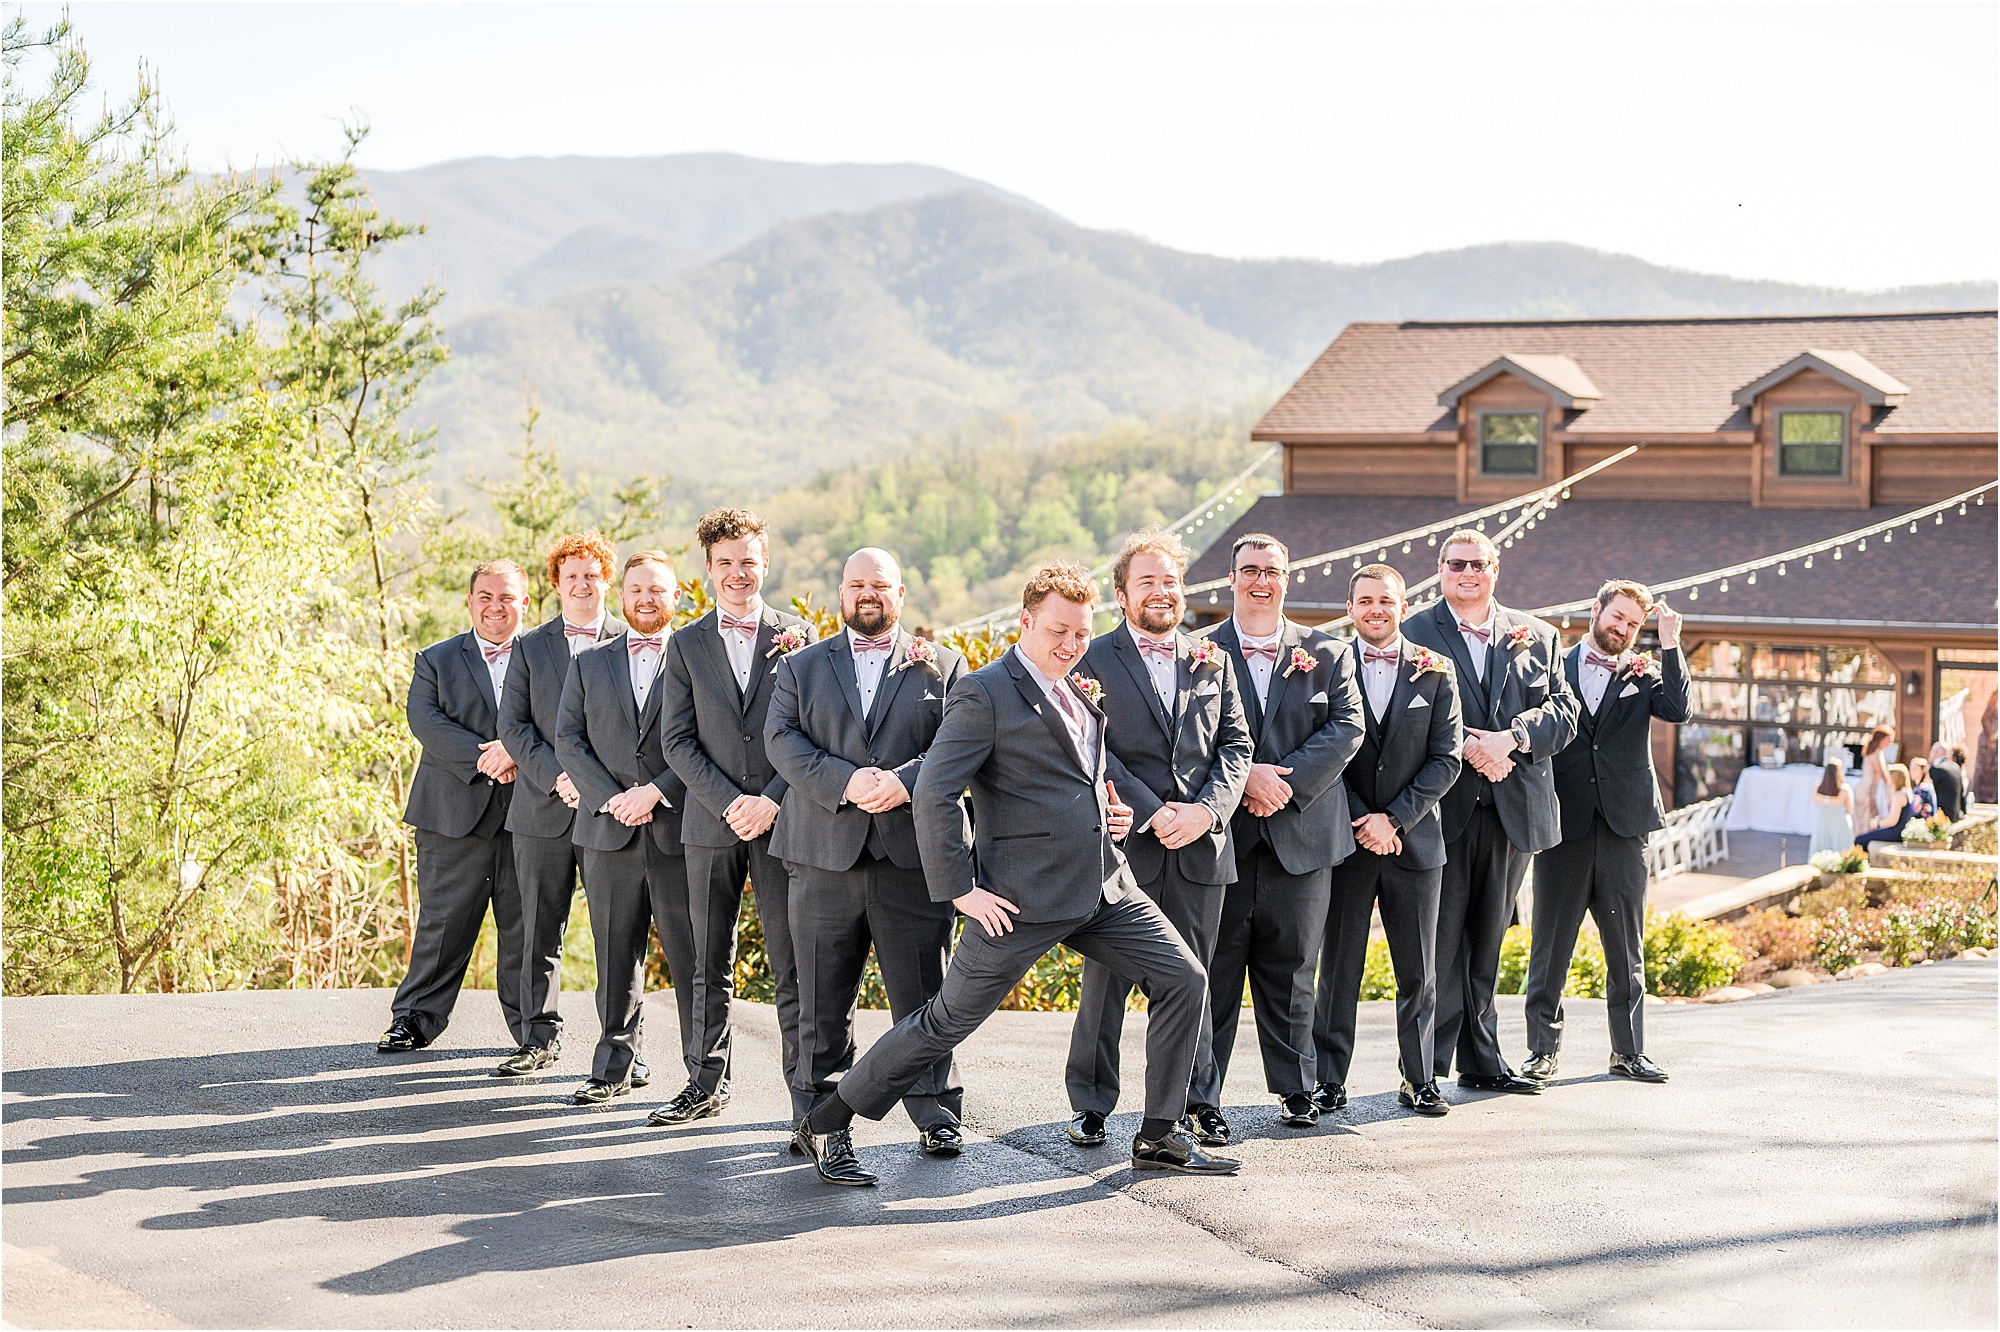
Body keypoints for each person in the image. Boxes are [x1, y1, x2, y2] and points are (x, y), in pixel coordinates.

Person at [793, 561, 1236, 1187]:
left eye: (1081, 634)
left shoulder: (1080, 688)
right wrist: (961, 891)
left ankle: (1160, 1134)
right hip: (1018, 901)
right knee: (945, 1021)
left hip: (1105, 888)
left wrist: (1112, 812)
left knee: (1185, 979)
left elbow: (1080, 776)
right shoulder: (984, 692)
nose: (1070, 646)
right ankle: (829, 1117)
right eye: (1058, 631)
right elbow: (936, 792)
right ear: (1025, 622)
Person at [764, 548, 970, 1149]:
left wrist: (904, 780)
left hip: (910, 856)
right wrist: (845, 781)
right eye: (857, 584)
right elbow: (781, 739)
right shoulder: (801, 667)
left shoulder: (945, 667)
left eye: (879, 584)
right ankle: (817, 1119)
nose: (868, 594)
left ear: (900, 594)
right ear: (841, 593)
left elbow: (959, 744)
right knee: (820, 997)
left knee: (924, 994)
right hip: (823, 853)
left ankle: (936, 1113)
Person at [1065, 529, 1252, 1149]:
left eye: (1169, 580)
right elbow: (1094, 749)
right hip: (1125, 844)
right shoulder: (1092, 658)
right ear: (1122, 594)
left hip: (1202, 843)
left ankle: (1196, 1100)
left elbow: (1237, 745)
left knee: (1195, 975)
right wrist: (1152, 812)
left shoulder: (1212, 657)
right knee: (1107, 980)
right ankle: (1091, 1101)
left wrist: (1205, 813)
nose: (1161, 592)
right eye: (1147, 581)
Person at [1196, 534, 1364, 1131]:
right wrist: (1246, 780)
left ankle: (1297, 1088)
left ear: (1288, 579)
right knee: (1212, 970)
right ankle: (1200, 1100)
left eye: (1271, 571)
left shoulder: (1329, 651)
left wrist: (1283, 785)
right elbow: (1187, 737)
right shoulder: (1199, 652)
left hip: (1305, 834)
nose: (1259, 581)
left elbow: (1347, 728)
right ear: (1231, 579)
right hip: (1222, 837)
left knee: (1294, 968)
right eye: (1248, 570)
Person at [1400, 529, 1577, 1095]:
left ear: (1495, 569)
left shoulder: (1539, 636)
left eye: (1478, 564)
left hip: (1512, 807)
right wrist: (1472, 749)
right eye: (1456, 565)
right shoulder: (1413, 633)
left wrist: (1513, 738)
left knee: (1489, 936)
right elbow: (1397, 720)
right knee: (1436, 941)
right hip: (1439, 810)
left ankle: (1482, 1061)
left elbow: (1565, 710)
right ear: (1441, 570)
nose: (1467, 573)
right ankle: (1422, 1069)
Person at [657, 508, 813, 1125]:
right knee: (704, 960)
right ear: (708, 569)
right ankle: (704, 1080)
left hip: (781, 821)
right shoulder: (687, 644)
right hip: (710, 822)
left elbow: (807, 732)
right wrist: (730, 803)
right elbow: (677, 740)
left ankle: (805, 1094)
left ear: (765, 563)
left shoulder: (800, 636)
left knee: (792, 959)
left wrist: (772, 797)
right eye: (725, 563)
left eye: (748, 562)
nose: (738, 574)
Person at [1521, 580, 1689, 1088]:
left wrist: (1670, 643)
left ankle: (1629, 1051)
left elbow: (1678, 710)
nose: (1623, 629)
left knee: (1626, 945)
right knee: (1550, 945)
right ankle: (1541, 1052)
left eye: (1634, 624)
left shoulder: (1647, 670)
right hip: (1563, 823)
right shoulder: (1555, 664)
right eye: (1618, 617)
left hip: (1624, 825)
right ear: (1596, 611)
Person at [1312, 564, 1462, 1117]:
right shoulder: (1326, 666)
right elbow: (1322, 751)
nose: (1376, 609)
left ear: (1403, 606)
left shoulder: (1435, 670)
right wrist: (1360, 819)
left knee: (1419, 969)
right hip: (1345, 842)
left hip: (1415, 843)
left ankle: (1419, 1078)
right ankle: (1329, 1081)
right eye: (1366, 600)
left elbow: (1446, 757)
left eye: (1386, 600)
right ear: (1350, 608)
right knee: (1339, 968)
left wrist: (1393, 820)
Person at [552, 553, 699, 1107]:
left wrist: (655, 791)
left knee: (691, 956)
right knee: (616, 956)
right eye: (636, 588)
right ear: (622, 594)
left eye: (656, 590)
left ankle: (703, 1075)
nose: (645, 598)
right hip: (607, 832)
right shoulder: (589, 664)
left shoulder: (694, 658)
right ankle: (614, 1067)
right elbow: (569, 740)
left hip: (679, 830)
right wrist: (612, 799)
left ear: (675, 596)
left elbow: (706, 741)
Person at [379, 560, 531, 1053]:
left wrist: (517, 752)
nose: (495, 606)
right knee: (442, 924)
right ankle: (415, 1020)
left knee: (526, 927)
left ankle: (532, 1032)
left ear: (524, 604)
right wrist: (488, 757)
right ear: (469, 602)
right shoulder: (437, 659)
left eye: (506, 597)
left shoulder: (547, 659)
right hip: (451, 814)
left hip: (530, 815)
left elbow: (563, 720)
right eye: (485, 596)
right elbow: (423, 719)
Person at [494, 533, 627, 1078]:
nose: (581, 584)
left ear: (606, 581)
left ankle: (620, 1045)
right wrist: (559, 776)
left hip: (612, 809)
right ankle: (536, 1036)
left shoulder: (631, 639)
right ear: (555, 583)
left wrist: (593, 784)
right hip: (541, 808)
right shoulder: (529, 647)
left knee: (614, 934)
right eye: (571, 575)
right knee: (537, 930)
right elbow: (513, 726)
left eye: (591, 575)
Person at [1855, 765, 1916, 849]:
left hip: (1896, 833)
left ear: (1894, 778)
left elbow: (1892, 821)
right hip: (1899, 831)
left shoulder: (1898, 796)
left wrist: (1877, 823)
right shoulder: (1906, 793)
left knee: (1859, 840)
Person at [1809, 762, 1856, 857]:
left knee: (1821, 852)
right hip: (1840, 824)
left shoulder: (1818, 788)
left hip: (1823, 823)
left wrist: (1826, 800)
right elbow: (1850, 809)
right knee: (1841, 853)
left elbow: (1816, 802)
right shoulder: (1844, 790)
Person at [1855, 727, 1896, 834]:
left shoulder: (1870, 751)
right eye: (1889, 740)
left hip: (1863, 789)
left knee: (1862, 822)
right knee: (1868, 822)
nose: (1890, 744)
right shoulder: (1878, 753)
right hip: (1868, 792)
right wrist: (1896, 785)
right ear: (1882, 739)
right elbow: (1883, 774)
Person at [1929, 742, 1967, 822]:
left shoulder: (1936, 769)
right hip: (1956, 814)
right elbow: (1961, 792)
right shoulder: (1955, 767)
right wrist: (1964, 812)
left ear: (1936, 752)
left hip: (1942, 817)